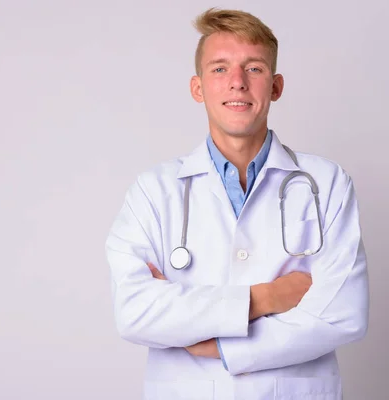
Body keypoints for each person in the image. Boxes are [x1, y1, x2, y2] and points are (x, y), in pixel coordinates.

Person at [105, 8, 369, 400]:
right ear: (198, 88)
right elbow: (135, 313)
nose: (237, 83)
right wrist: (266, 298)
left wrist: (217, 345)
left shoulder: (327, 184)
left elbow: (343, 314)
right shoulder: (153, 191)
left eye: (254, 69)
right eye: (219, 69)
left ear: (276, 86)